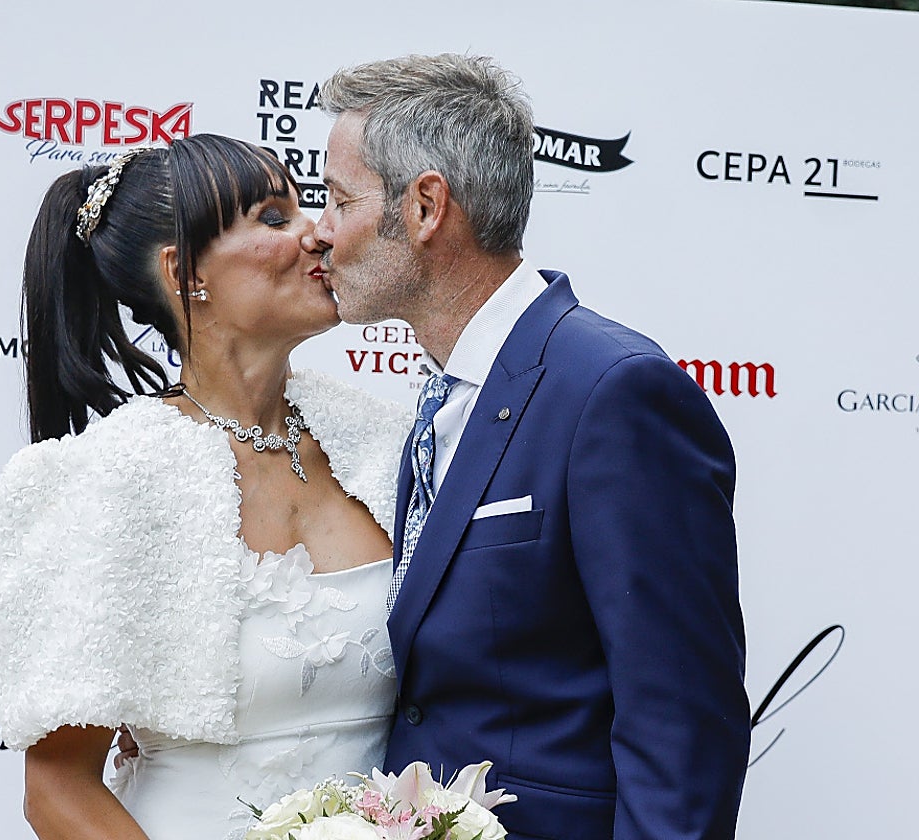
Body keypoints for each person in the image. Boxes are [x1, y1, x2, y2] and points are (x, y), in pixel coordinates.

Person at [312, 54, 750, 840]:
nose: (319, 231)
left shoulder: (614, 391)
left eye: (340, 200)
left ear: (425, 207)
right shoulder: (441, 395)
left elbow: (682, 717)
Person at [0, 134, 411, 840]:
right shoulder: (110, 477)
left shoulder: (387, 444)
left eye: (309, 208)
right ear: (185, 273)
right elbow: (57, 788)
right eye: (274, 218)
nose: (319, 235)